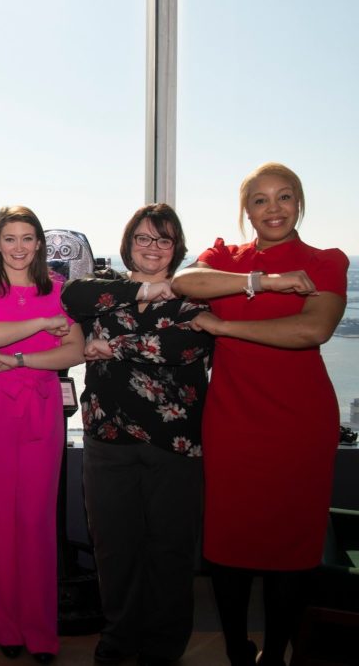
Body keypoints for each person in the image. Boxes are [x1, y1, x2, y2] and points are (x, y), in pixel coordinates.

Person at [172, 163, 348, 666]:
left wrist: (225, 330)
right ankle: (235, 650)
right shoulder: (228, 257)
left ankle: (275, 657)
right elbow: (187, 285)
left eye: (285, 197)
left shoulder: (326, 260)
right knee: (229, 542)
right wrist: (266, 280)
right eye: (260, 200)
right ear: (245, 209)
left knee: (291, 545)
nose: (273, 209)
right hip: (232, 419)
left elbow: (310, 331)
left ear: (301, 203)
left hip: (299, 421)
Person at [61, 204, 213, 666]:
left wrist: (108, 346)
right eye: (143, 238)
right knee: (114, 547)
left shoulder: (195, 295)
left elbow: (181, 346)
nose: (152, 248)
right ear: (128, 243)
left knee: (169, 549)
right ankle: (120, 635)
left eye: (163, 240)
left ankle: (165, 646)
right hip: (109, 438)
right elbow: (74, 297)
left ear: (177, 248)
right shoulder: (105, 289)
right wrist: (142, 293)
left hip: (174, 443)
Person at [0, 206, 84, 664]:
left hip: (43, 405)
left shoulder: (63, 293)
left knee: (35, 521)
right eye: (9, 238)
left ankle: (40, 631)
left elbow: (75, 351)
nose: (18, 247)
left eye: (27, 237)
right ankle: (5, 625)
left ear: (39, 244)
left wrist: (23, 359)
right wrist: (39, 326)